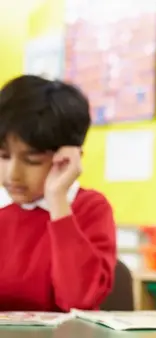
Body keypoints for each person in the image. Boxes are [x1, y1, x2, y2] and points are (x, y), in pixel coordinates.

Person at [0, 75, 117, 312]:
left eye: (32, 161)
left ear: (67, 157)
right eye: (3, 156)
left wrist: (57, 201)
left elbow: (79, 300)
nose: (13, 174)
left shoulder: (89, 208)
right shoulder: (4, 213)